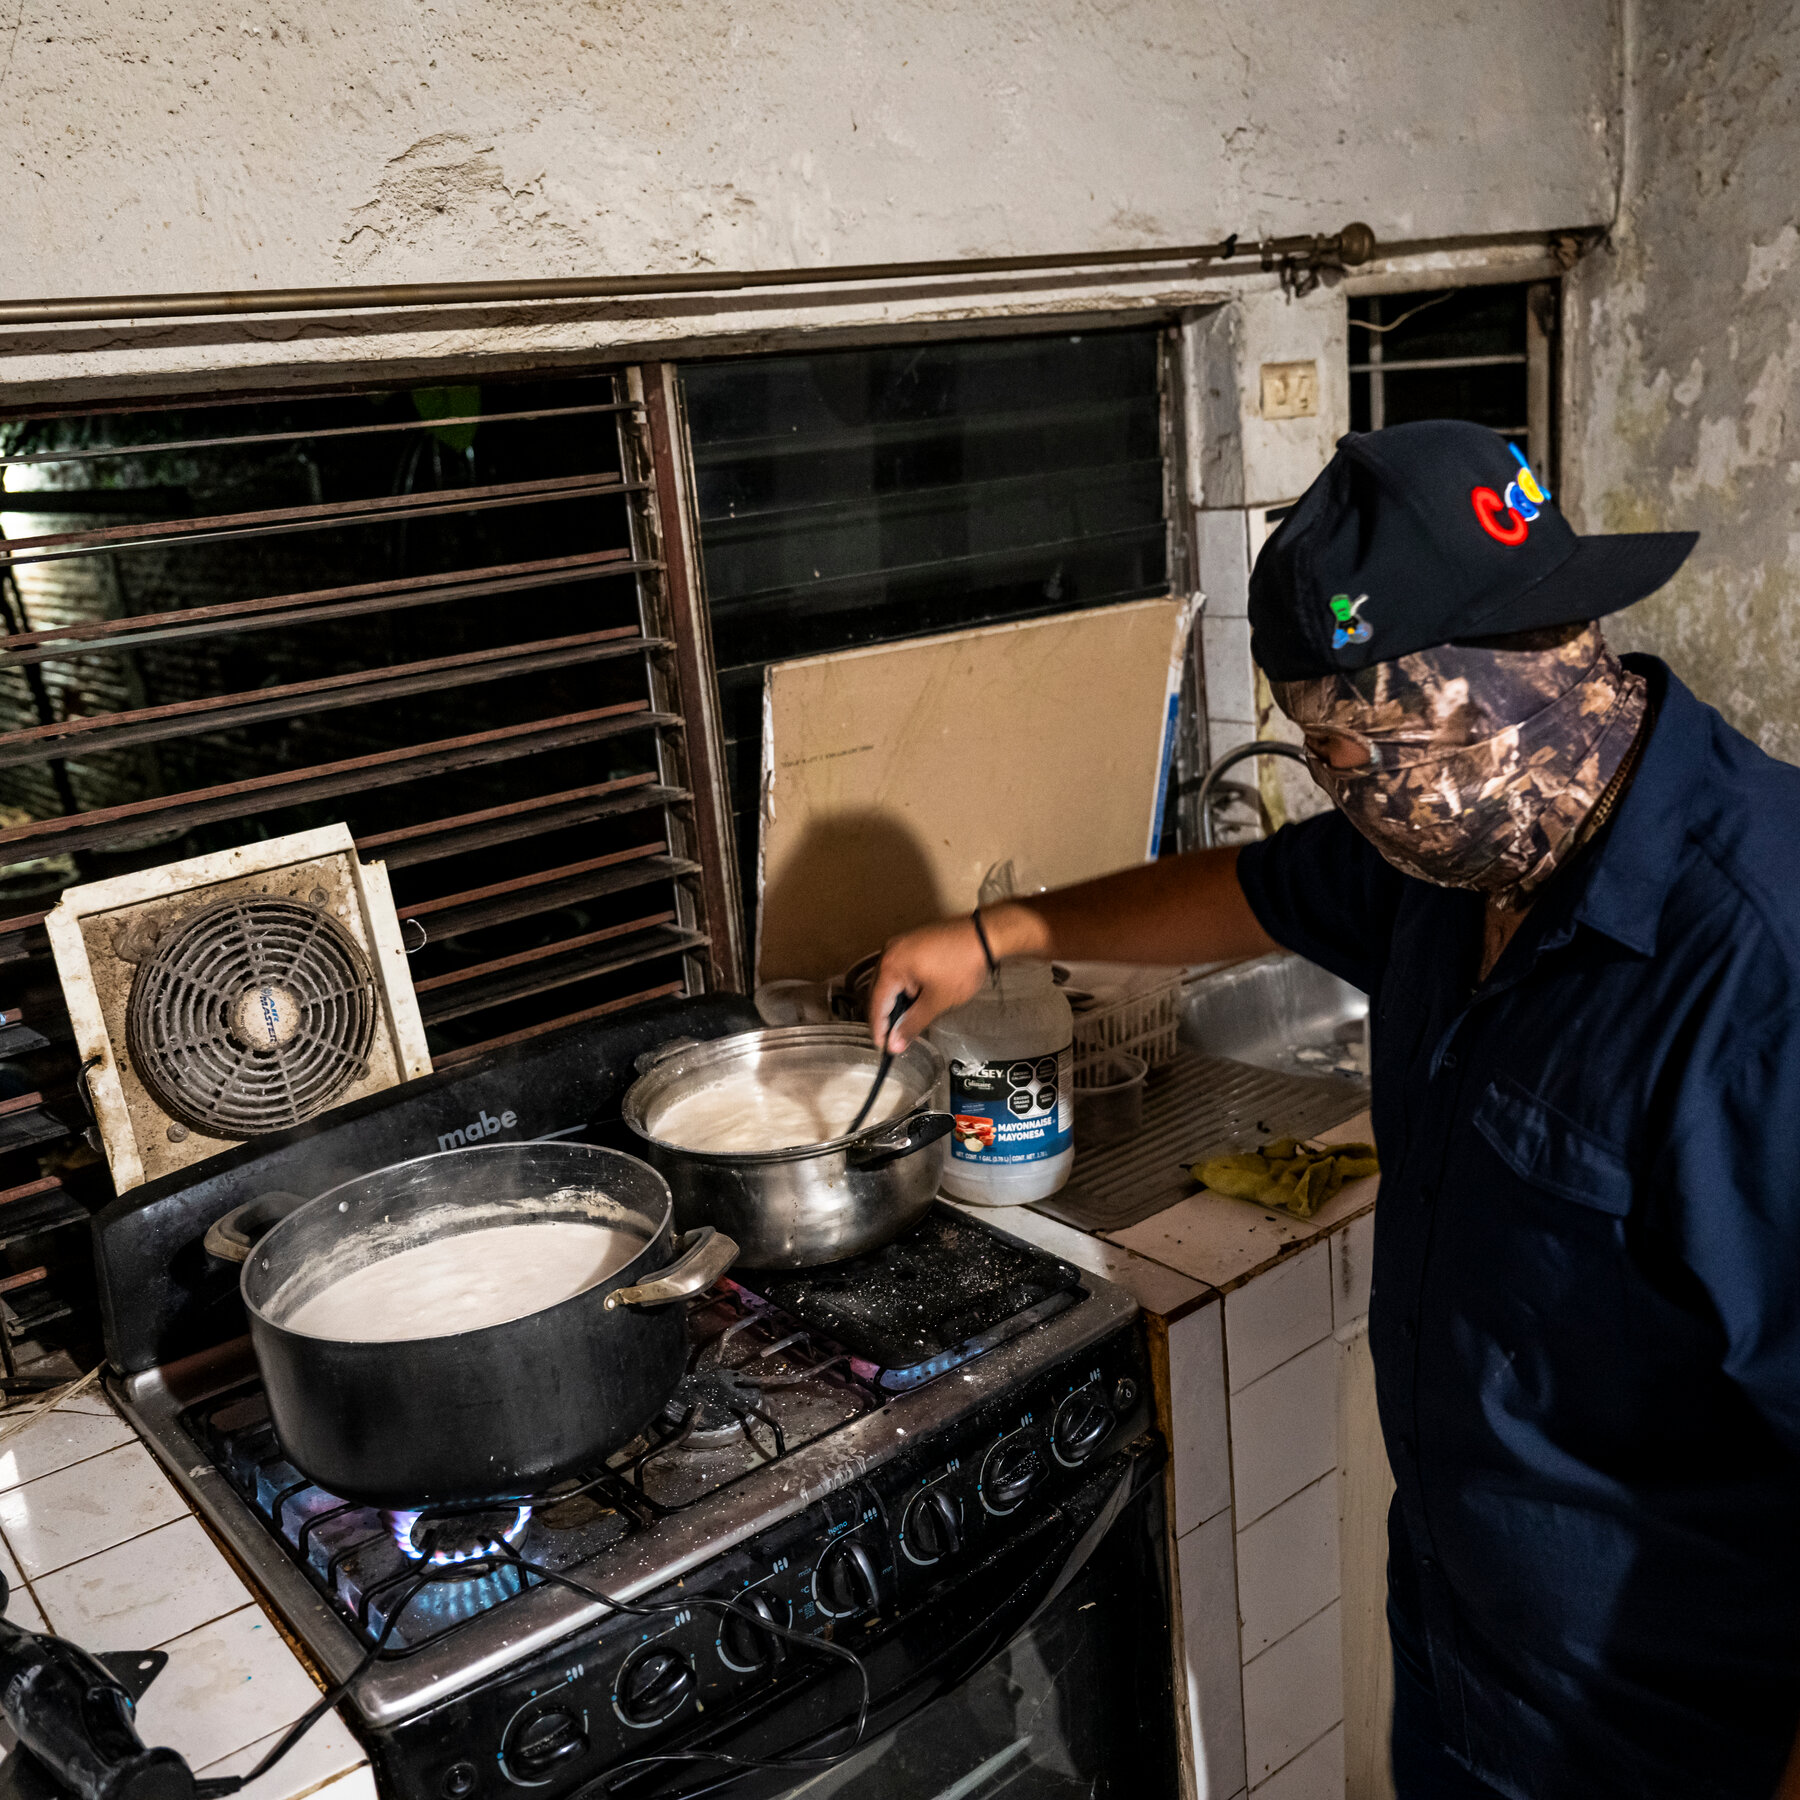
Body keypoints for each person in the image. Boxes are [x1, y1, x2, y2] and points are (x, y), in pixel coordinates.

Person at [868, 419, 1800, 1800]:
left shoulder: (1757, 968)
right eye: (1316, 755)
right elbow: (1252, 890)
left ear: (1503, 686)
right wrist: (998, 934)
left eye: (1353, 758)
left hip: (1668, 1725)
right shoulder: (1457, 852)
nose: (1339, 798)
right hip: (1467, 1643)